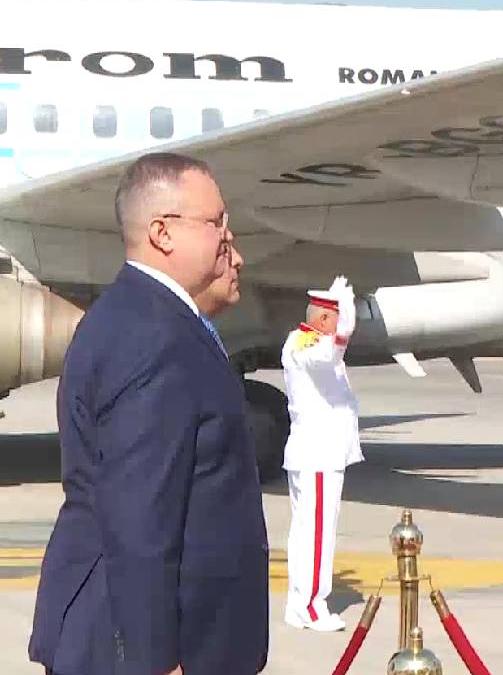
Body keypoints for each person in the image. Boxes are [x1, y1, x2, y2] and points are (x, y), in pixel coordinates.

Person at [29, 152, 269, 675]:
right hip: (141, 649)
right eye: (216, 221)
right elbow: (140, 516)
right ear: (163, 232)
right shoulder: (153, 339)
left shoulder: (148, 319)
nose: (228, 236)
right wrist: (153, 660)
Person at [281, 277, 364, 631]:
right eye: (337, 317)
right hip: (317, 455)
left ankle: (299, 603)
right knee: (316, 534)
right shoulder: (306, 343)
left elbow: (328, 359)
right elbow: (323, 357)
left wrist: (340, 337)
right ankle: (312, 605)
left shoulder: (308, 341)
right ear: (325, 321)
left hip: (318, 453)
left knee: (307, 533)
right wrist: (341, 334)